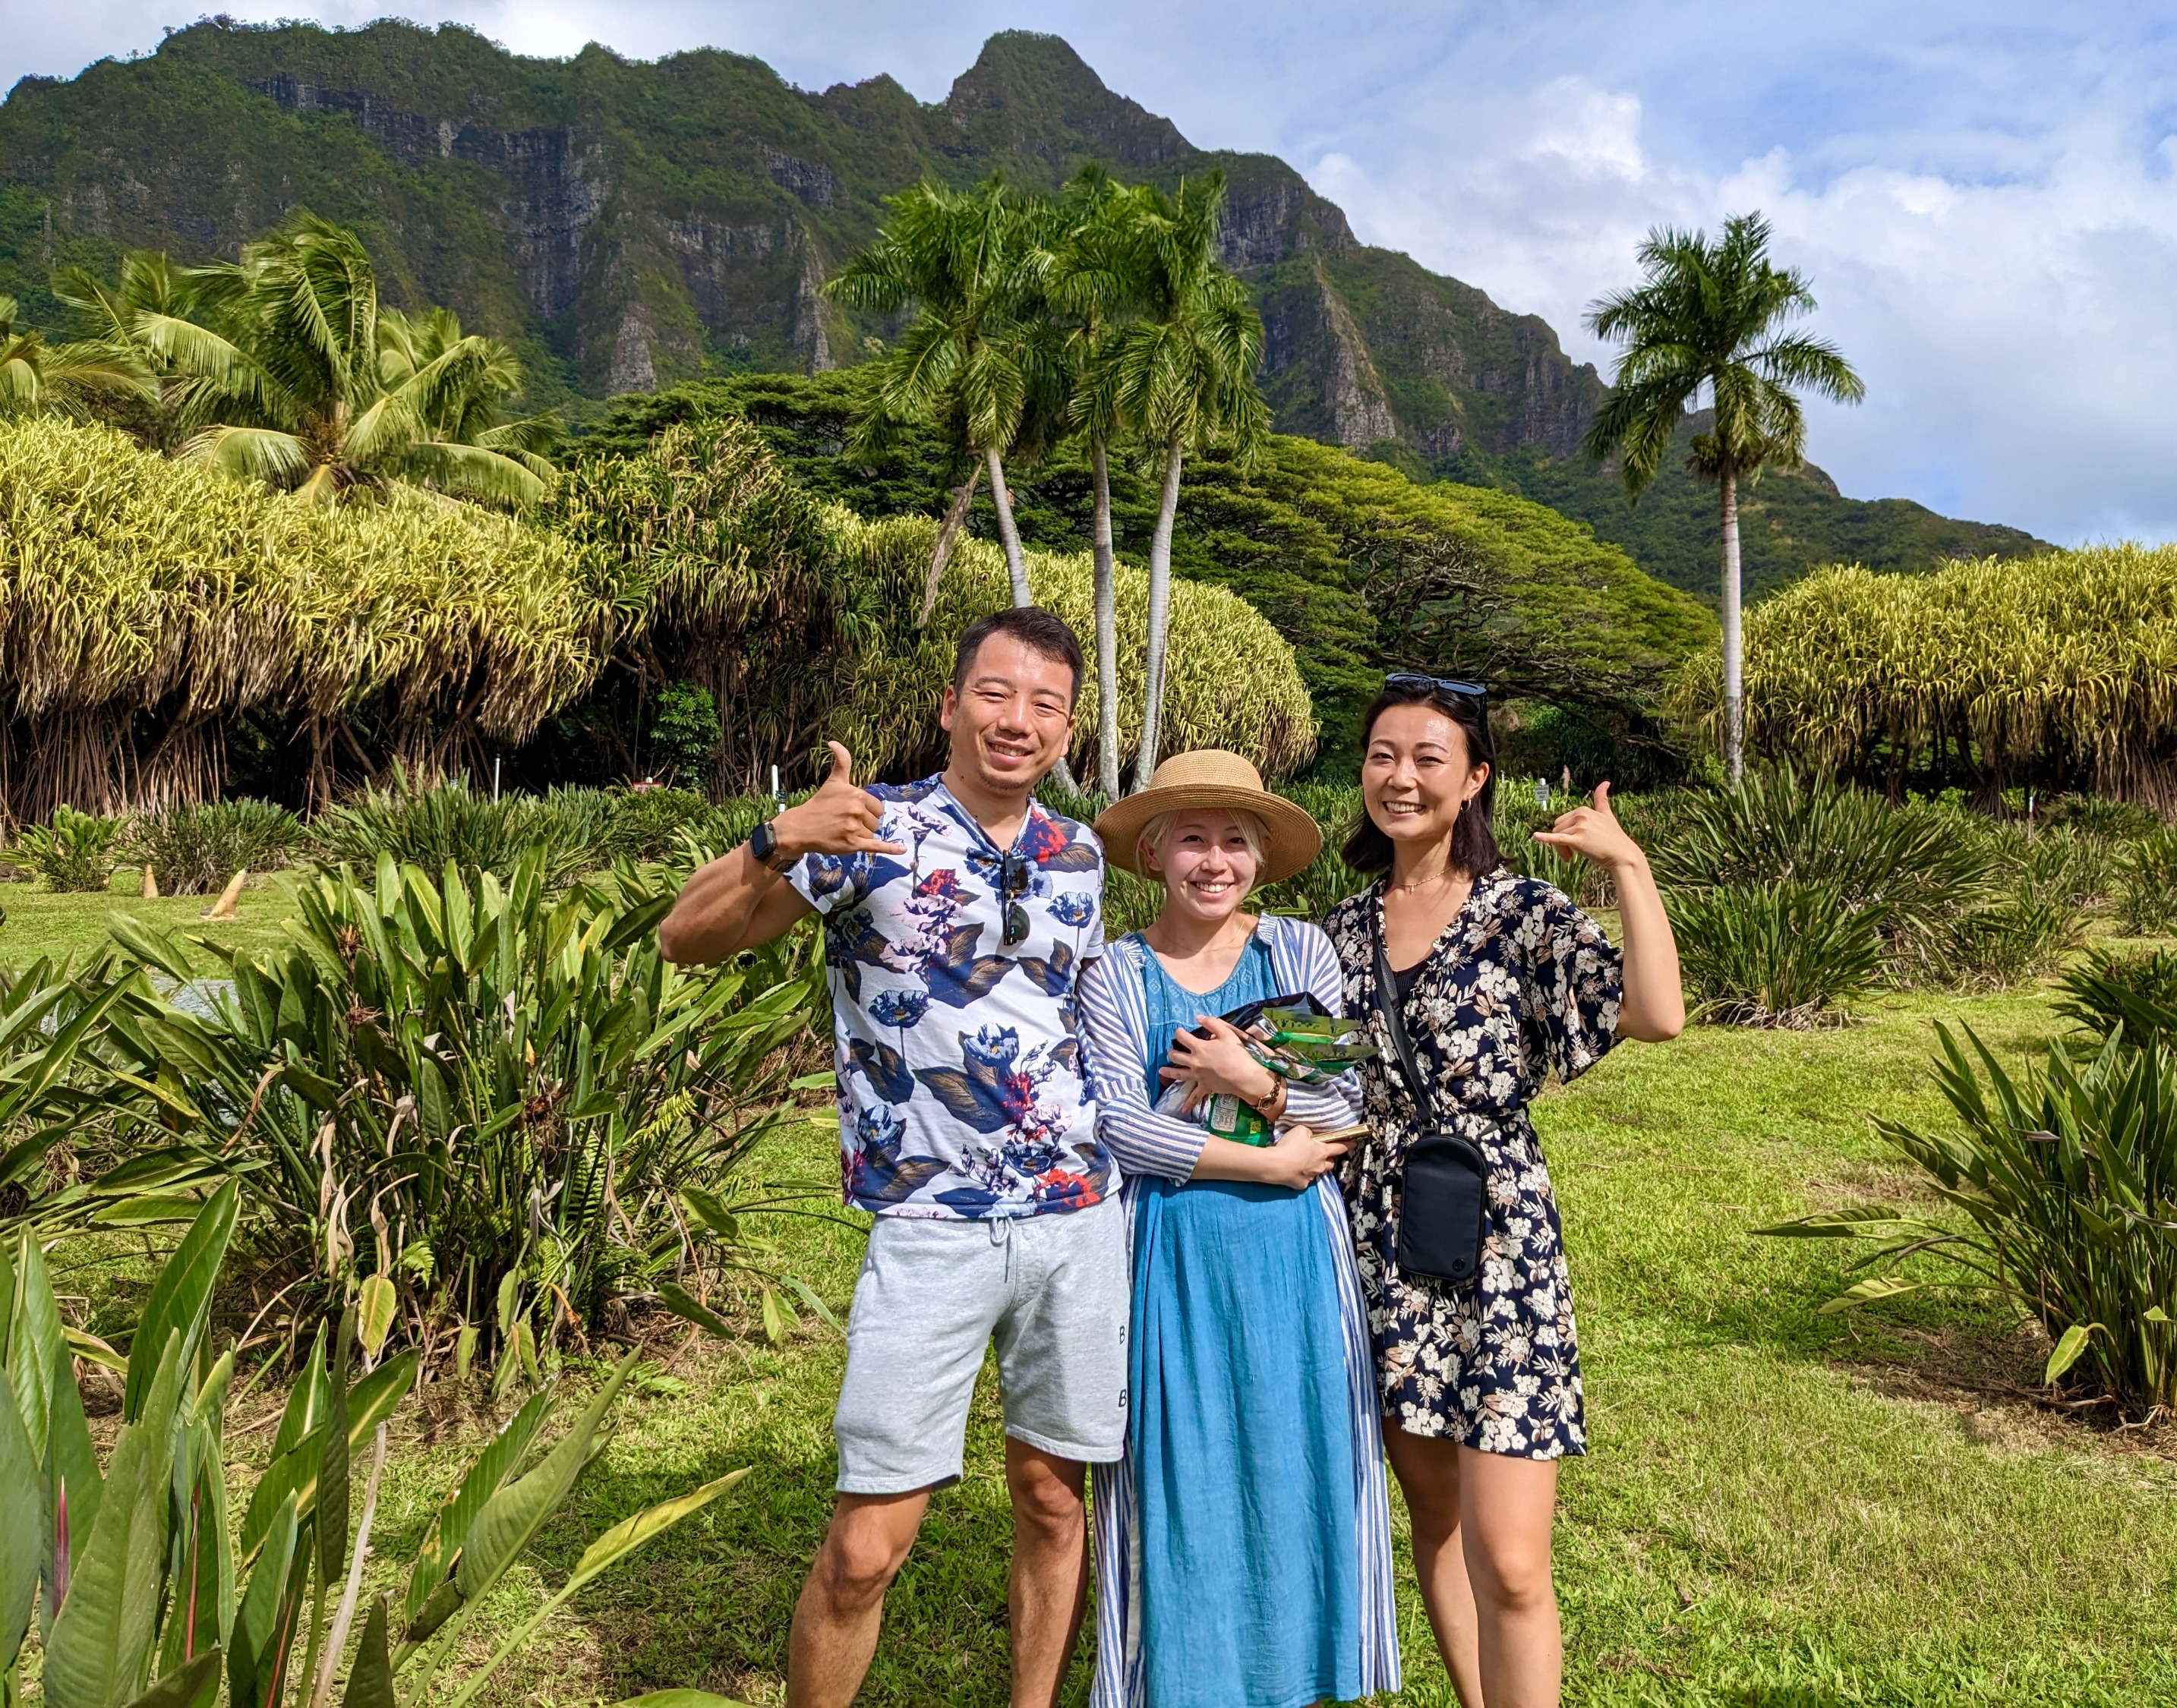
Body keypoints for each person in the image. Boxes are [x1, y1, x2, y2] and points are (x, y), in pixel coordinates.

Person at [658, 607, 1128, 1708]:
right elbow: (687, 938)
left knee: (1056, 1499)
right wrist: (780, 836)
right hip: (927, 1225)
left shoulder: (1080, 853)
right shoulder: (870, 826)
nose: (1019, 721)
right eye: (997, 693)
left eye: (1047, 704)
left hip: (1076, 1210)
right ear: (951, 703)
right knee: (869, 1541)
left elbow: (1078, 1012)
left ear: (1067, 729)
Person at [1320, 674, 1684, 1708]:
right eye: (1384, 754)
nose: (1402, 776)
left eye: (1429, 758)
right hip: (1382, 1232)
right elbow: (1318, 1078)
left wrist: (1630, 867)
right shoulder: (1341, 928)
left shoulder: (1523, 911)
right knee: (1432, 1524)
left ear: (1474, 777)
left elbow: (1656, 1013)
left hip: (1500, 1239)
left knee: (1513, 1561)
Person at [1077, 748, 1402, 1708]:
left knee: (1299, 1459)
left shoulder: (1297, 952)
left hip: (1297, 1258)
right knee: (1182, 1470)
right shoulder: (1117, 973)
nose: (1212, 861)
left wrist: (1247, 1081)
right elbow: (1119, 1126)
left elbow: (1344, 1106)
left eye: (1234, 841)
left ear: (1260, 857)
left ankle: (1296, 1676)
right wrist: (1269, 1152)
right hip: (1173, 1253)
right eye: (1191, 839)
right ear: (1152, 853)